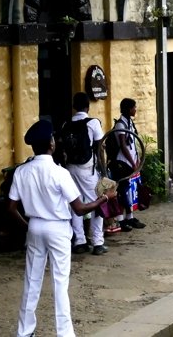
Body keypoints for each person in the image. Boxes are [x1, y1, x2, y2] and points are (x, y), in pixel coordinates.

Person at [7, 120, 116, 337]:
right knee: (60, 282)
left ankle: (25, 332)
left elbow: (11, 207)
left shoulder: (22, 171)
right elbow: (79, 208)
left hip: (35, 226)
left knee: (32, 281)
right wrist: (104, 197)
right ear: (51, 144)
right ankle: (64, 333)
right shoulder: (59, 173)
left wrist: (28, 226)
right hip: (57, 229)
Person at [65, 92, 108, 255]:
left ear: (74, 106)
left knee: (75, 204)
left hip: (70, 168)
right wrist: (103, 172)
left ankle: (80, 241)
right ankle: (98, 242)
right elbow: (99, 148)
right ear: (88, 106)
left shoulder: (66, 124)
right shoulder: (93, 123)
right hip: (87, 169)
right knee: (97, 202)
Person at [107, 97, 146, 231]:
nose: (135, 110)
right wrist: (131, 161)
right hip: (122, 162)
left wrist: (138, 158)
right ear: (129, 109)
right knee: (123, 190)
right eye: (134, 107)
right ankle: (121, 220)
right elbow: (123, 146)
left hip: (131, 161)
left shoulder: (129, 123)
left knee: (128, 189)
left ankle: (130, 217)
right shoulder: (120, 125)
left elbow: (133, 144)